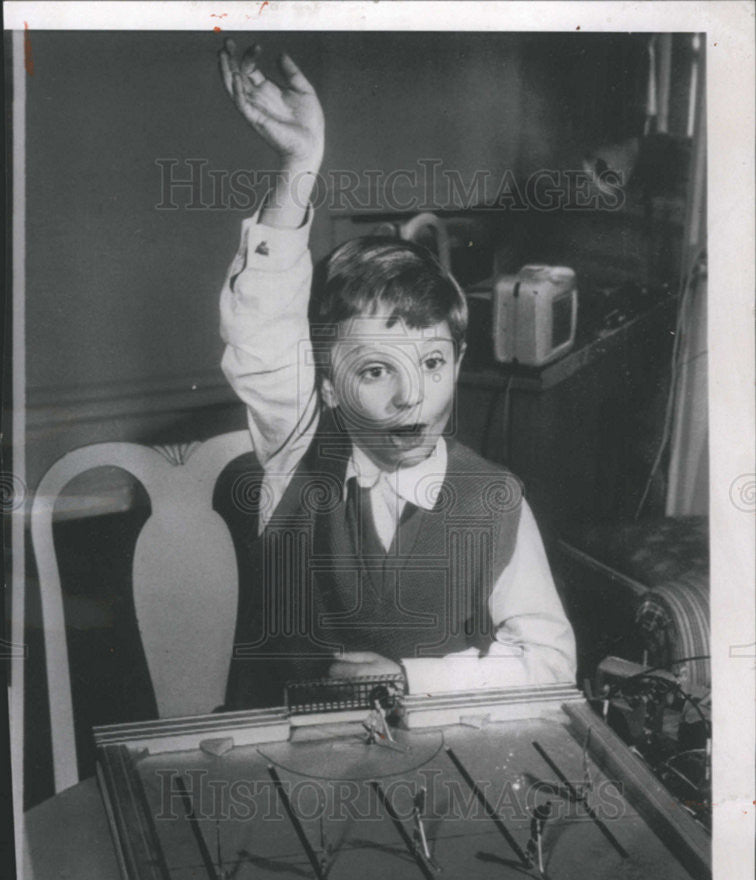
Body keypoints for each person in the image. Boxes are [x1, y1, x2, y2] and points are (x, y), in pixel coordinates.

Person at [217, 40, 575, 709]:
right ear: (323, 382)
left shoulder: (494, 501)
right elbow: (261, 329)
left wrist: (416, 679)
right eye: (377, 369)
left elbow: (550, 663)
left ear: (458, 364)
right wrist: (299, 166)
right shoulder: (299, 453)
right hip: (287, 772)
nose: (413, 395)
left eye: (433, 363)